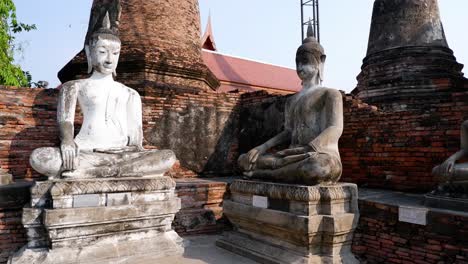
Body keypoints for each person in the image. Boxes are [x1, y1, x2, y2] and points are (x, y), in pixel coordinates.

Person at [29, 15, 175, 179]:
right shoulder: (74, 87)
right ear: (89, 53)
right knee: (40, 158)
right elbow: (65, 121)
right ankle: (102, 171)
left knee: (167, 157)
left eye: (115, 53)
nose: (109, 59)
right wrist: (67, 141)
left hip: (122, 155)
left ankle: (89, 173)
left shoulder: (130, 94)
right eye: (102, 52)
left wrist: (132, 150)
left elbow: (136, 143)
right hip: (86, 151)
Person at [238, 25, 343, 185]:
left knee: (315, 168)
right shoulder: (292, 100)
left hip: (321, 154)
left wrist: (310, 147)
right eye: (297, 63)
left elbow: (335, 129)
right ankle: (269, 170)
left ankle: (264, 174)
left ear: (320, 62)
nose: (300, 67)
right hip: (291, 154)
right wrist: (262, 147)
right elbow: (289, 131)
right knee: (244, 159)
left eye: (305, 62)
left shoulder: (330, 94)